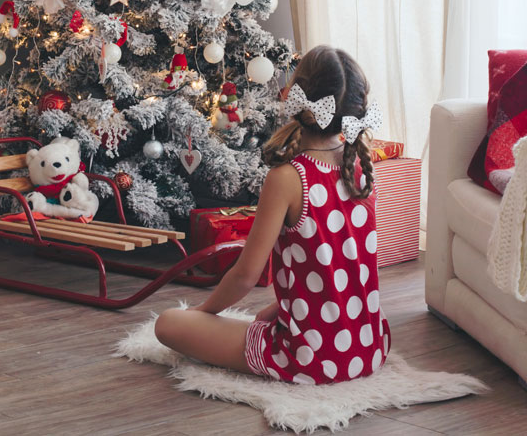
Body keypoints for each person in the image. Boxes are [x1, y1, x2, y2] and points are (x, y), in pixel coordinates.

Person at [154, 45, 389, 384]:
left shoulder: (289, 177)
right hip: (367, 347)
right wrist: (283, 309)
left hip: (310, 357)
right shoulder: (362, 167)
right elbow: (341, 265)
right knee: (264, 315)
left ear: (297, 95)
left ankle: (275, 343)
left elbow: (245, 276)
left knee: (169, 323)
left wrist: (202, 313)